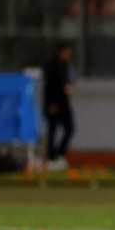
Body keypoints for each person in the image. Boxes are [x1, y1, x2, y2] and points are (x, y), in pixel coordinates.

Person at [43, 42, 76, 171]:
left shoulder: (65, 66)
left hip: (64, 103)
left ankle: (58, 155)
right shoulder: (52, 66)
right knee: (52, 130)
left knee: (70, 128)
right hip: (53, 103)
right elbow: (49, 86)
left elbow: (66, 83)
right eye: (67, 52)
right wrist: (51, 103)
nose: (68, 55)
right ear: (60, 52)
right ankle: (51, 158)